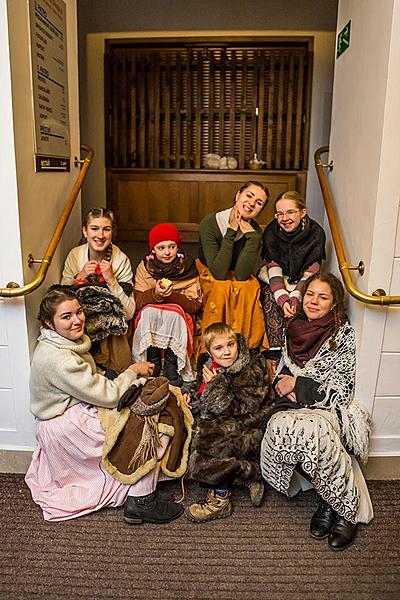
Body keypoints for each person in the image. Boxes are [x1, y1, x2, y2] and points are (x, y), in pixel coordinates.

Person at [25, 287, 185, 525]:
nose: (77, 320)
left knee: (156, 400)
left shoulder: (62, 344)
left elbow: (90, 382)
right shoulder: (58, 359)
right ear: (49, 323)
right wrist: (132, 371)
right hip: (67, 428)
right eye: (66, 317)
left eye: (78, 312)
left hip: (73, 411)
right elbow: (109, 396)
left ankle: (142, 485)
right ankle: (141, 500)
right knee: (147, 421)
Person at [260, 273, 373, 551]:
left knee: (315, 431)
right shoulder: (294, 328)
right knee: (280, 427)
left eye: (323, 297)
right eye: (310, 294)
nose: (313, 301)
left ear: (334, 303)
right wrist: (283, 383)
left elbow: (342, 389)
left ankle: (341, 508)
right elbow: (282, 372)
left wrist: (298, 384)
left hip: (326, 409)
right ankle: (325, 495)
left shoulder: (342, 334)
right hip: (292, 404)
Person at [183, 323, 274, 523]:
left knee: (211, 439)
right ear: (210, 351)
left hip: (251, 423)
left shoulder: (251, 368)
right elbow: (199, 386)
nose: (226, 352)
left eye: (230, 345)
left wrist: (215, 386)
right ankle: (244, 474)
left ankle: (220, 499)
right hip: (223, 414)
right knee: (187, 426)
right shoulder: (208, 364)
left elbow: (243, 407)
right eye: (219, 348)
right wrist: (189, 394)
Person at [196, 181, 269, 354]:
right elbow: (219, 272)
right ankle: (212, 348)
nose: (251, 203)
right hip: (210, 270)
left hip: (235, 273)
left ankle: (245, 348)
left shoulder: (255, 232)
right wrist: (231, 232)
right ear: (238, 195)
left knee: (248, 288)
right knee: (221, 288)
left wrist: (251, 238)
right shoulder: (211, 222)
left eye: (259, 202)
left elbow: (242, 275)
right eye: (248, 196)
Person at [61, 207, 135, 372]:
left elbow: (129, 313)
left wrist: (111, 280)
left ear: (112, 233)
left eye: (106, 229)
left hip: (109, 328)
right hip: (81, 319)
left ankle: (113, 371)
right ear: (85, 231)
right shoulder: (75, 255)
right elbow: (61, 299)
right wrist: (80, 276)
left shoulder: (121, 259)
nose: (100, 236)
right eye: (94, 228)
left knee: (112, 318)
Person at [132, 223, 202, 386]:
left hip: (179, 312)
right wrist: (155, 294)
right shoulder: (145, 267)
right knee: (149, 312)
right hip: (151, 312)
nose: (167, 252)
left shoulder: (188, 267)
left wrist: (172, 295)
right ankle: (153, 358)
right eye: (161, 247)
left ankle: (172, 362)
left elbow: (194, 304)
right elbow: (138, 301)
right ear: (153, 250)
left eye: (172, 246)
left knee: (173, 315)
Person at [259, 191, 326, 357]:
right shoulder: (271, 232)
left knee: (304, 304)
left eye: (290, 212)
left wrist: (296, 296)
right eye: (279, 214)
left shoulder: (316, 233)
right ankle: (274, 353)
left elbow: (311, 270)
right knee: (269, 296)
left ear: (303, 213)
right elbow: (273, 266)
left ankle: (296, 352)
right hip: (276, 276)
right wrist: (282, 298)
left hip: (304, 278)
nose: (284, 218)